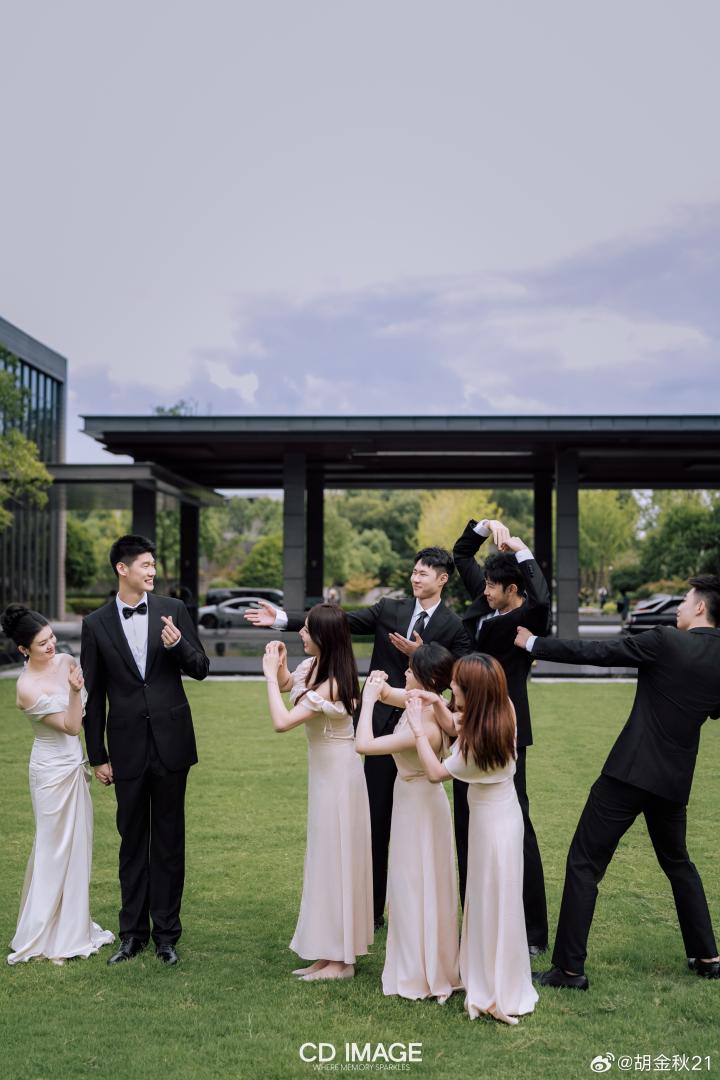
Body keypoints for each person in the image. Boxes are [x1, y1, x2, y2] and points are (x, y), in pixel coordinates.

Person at [245, 547, 472, 928]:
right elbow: (339, 623)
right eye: (414, 571)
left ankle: (417, 908)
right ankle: (371, 909)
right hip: (377, 723)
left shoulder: (454, 626)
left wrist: (423, 655)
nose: (415, 578)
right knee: (375, 819)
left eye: (423, 573)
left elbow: (463, 674)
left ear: (442, 579)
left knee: (416, 817)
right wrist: (281, 619)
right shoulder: (389, 609)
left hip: (424, 729)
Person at [514, 573, 720, 990]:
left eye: (684, 600)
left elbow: (600, 651)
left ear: (701, 607)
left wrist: (534, 643)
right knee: (678, 863)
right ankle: (707, 956)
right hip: (674, 781)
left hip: (628, 773)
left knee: (584, 862)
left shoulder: (665, 640)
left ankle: (569, 969)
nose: (679, 606)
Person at [81, 534, 210, 966]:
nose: (152, 571)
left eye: (154, 564)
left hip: (172, 744)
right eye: (145, 565)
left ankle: (167, 937)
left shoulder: (174, 610)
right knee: (132, 842)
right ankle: (131, 935)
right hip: (126, 748)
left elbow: (201, 668)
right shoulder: (95, 624)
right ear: (123, 569)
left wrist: (178, 645)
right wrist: (98, 755)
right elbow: (93, 695)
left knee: (169, 842)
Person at [406, 653, 538, 1024]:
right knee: (491, 900)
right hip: (501, 817)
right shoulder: (502, 708)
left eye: (456, 685)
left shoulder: (476, 746)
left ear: (473, 693)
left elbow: (435, 772)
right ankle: (491, 973)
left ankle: (495, 985)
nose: (451, 687)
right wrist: (435, 702)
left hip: (492, 827)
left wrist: (418, 731)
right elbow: (456, 722)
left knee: (490, 902)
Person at [453, 518, 550, 955]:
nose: (486, 590)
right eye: (486, 584)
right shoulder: (485, 597)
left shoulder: (528, 614)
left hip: (506, 728)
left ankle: (532, 931)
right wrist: (485, 527)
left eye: (493, 586)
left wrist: (521, 547)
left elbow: (543, 597)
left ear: (512, 589)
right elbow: (460, 555)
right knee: (464, 822)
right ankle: (472, 918)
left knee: (517, 824)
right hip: (464, 721)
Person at [262, 603, 373, 981]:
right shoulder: (315, 666)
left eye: (307, 630)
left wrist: (266, 677)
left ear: (324, 637)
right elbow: (289, 685)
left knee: (337, 862)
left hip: (340, 779)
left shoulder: (335, 681)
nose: (300, 633)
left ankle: (343, 962)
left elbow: (282, 722)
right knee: (326, 862)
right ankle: (328, 954)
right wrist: (279, 666)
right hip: (324, 777)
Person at [2, 604, 114, 966]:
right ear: (23, 649)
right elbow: (70, 726)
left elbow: (88, 712)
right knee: (52, 851)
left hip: (73, 766)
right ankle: (41, 934)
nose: (51, 645)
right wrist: (75, 691)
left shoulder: (66, 660)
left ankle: (71, 929)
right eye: (41, 643)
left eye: (51, 637)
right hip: (50, 772)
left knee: (78, 848)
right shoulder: (26, 687)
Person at [356, 643, 460, 1003]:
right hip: (415, 801)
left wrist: (368, 702)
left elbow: (364, 745)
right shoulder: (427, 700)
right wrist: (378, 685)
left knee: (414, 884)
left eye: (411, 670)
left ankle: (419, 970)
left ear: (427, 679)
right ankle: (419, 959)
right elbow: (392, 692)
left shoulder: (426, 724)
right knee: (415, 883)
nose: (405, 673)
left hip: (419, 807)